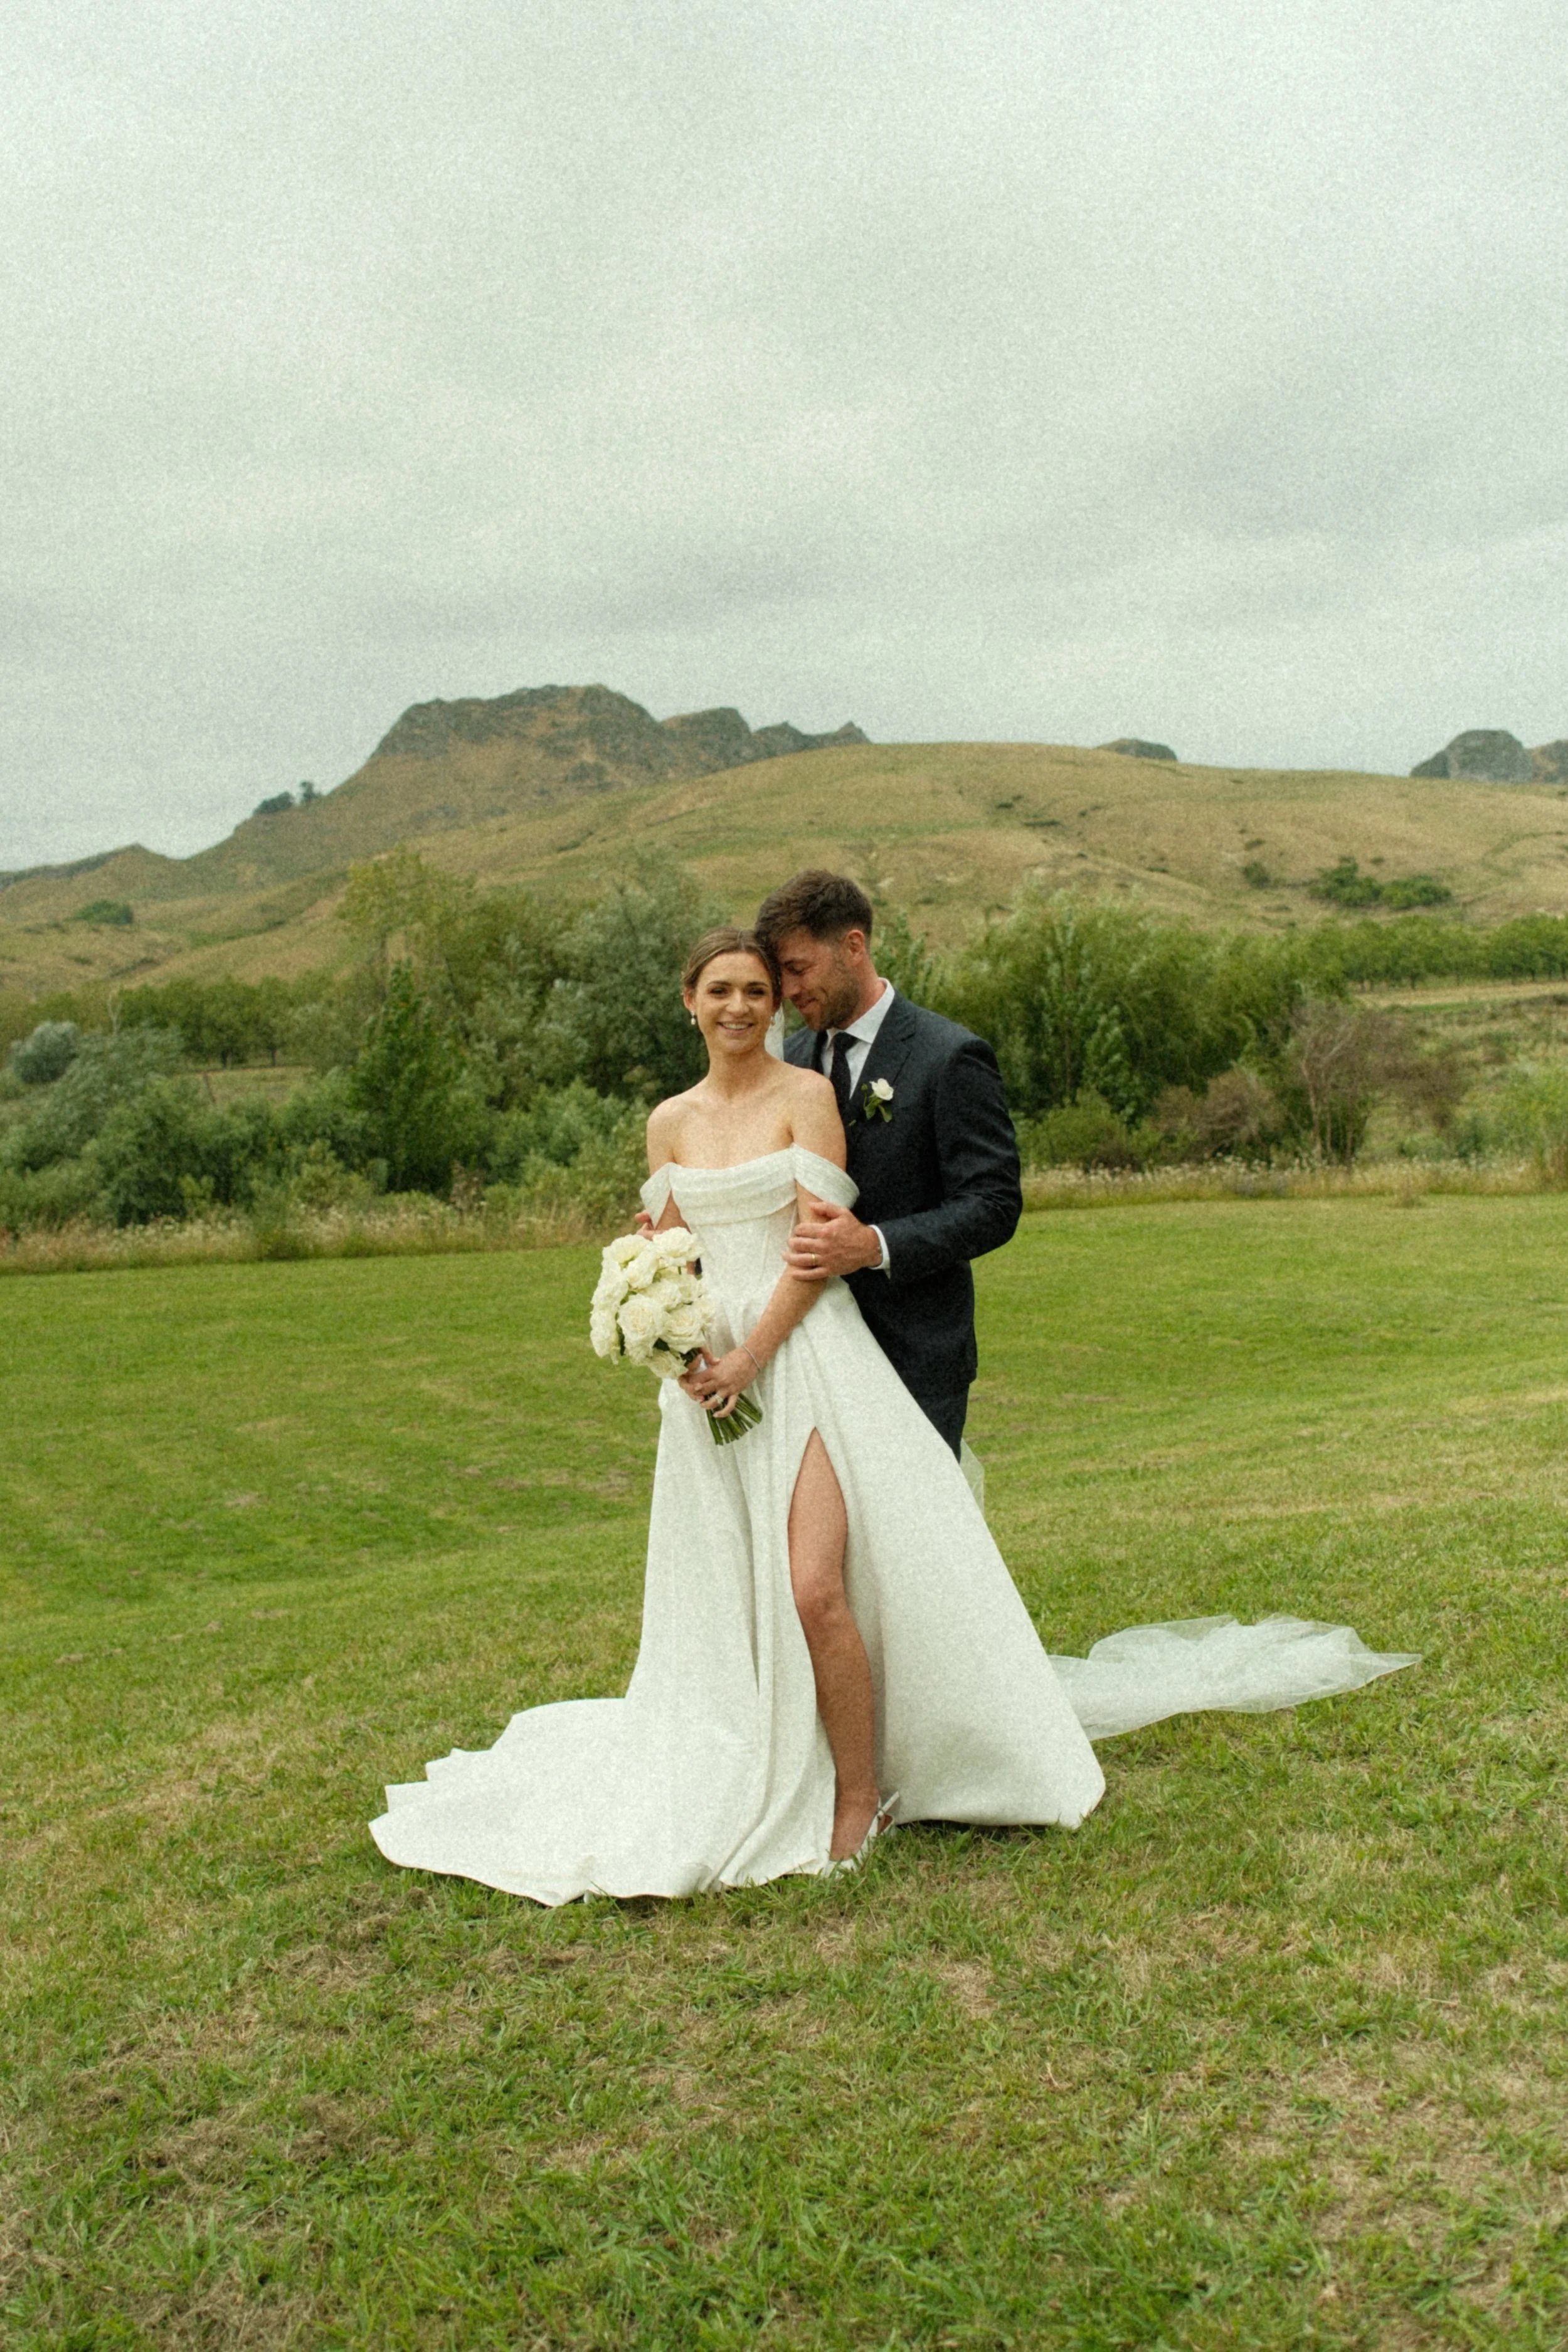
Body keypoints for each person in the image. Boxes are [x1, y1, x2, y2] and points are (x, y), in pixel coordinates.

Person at [369, 928, 1416, 1905]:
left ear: (776, 1001)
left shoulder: (803, 1100)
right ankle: (752, 1755)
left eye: (756, 991)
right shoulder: (669, 1120)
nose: (739, 1006)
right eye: (719, 991)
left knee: (815, 1584)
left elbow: (819, 1254)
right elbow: (665, 1248)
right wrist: (675, 1345)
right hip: (707, 1387)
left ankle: (859, 1799)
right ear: (688, 1003)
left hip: (806, 1361)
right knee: (728, 1592)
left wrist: (750, 1355)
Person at [755, 870, 1018, 1458]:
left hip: (914, 1354)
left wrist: (874, 1245)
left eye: (799, 970)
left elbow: (993, 1205)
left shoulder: (949, 1056)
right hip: (806, 1353)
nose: (788, 992)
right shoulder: (788, 1065)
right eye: (780, 977)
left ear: (853, 947)